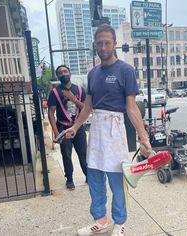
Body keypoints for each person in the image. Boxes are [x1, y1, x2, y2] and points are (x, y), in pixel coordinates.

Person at [65, 24, 152, 236]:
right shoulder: (92, 73)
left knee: (116, 179)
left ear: (114, 44)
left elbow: (131, 108)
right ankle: (100, 220)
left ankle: (120, 223)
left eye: (107, 42)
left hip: (115, 129)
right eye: (99, 43)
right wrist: (75, 127)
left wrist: (144, 138)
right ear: (95, 45)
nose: (103, 47)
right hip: (96, 130)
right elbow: (88, 107)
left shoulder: (126, 71)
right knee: (94, 176)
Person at [47, 65, 87, 190]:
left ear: (70, 73)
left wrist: (73, 99)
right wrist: (56, 132)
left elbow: (85, 109)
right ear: (58, 76)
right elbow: (51, 113)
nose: (63, 74)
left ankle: (88, 175)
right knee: (66, 155)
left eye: (65, 71)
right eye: (60, 73)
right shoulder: (55, 92)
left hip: (78, 127)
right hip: (63, 127)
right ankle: (69, 179)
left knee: (83, 154)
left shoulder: (80, 90)